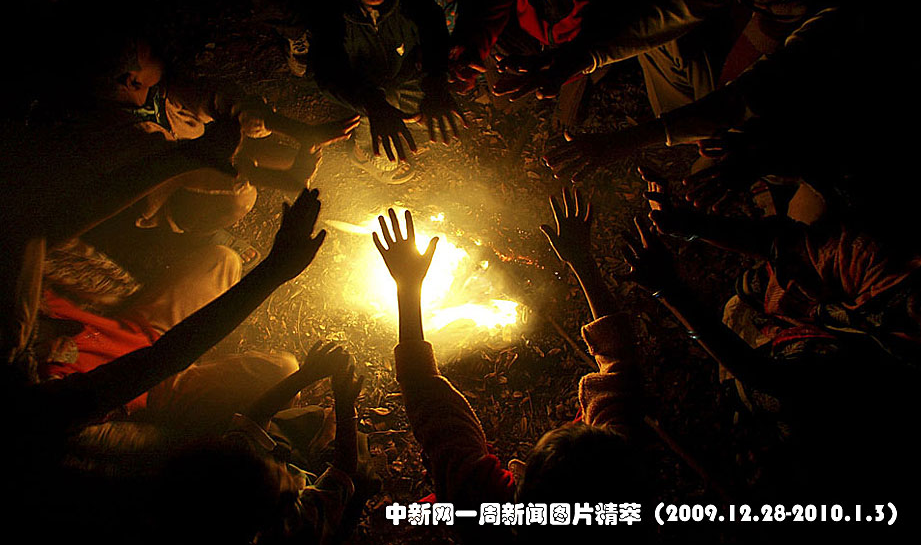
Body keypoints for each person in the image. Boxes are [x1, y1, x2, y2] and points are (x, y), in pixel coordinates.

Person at [1, 188, 329, 540]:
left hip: (138, 327)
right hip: (155, 388)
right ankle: (201, 384)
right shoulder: (45, 410)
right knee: (283, 371)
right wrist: (272, 272)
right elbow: (164, 360)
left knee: (224, 260)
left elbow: (38, 233)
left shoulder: (19, 328)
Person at [622, 167, 921, 506]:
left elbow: (767, 377)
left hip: (856, 402)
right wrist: (690, 227)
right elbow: (780, 244)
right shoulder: (871, 271)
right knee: (752, 291)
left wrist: (670, 290)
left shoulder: (887, 292)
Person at [372, 203, 646, 542]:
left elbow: (434, 409)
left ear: (523, 486)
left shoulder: (483, 510)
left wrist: (407, 286)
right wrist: (583, 263)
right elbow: (620, 365)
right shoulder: (616, 468)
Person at [541, 0, 847, 187]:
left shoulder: (832, 18)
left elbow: (749, 96)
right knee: (670, 39)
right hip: (728, 93)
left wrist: (620, 143)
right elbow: (664, 17)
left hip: (797, 130)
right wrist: (576, 59)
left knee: (771, 138)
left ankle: (753, 169)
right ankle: (698, 131)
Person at [156, 342, 368, 545]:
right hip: (320, 509)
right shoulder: (295, 529)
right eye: (284, 483)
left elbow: (252, 418)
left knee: (291, 420)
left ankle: (317, 443)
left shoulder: (231, 474)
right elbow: (343, 471)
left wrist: (307, 374)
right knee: (360, 469)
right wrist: (345, 406)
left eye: (270, 467)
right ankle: (322, 454)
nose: (280, 468)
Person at [312, 0, 466, 183]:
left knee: (433, 114)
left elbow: (433, 28)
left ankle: (401, 114)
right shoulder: (329, 9)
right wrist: (373, 104)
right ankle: (362, 151)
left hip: (400, 73)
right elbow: (327, 72)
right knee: (382, 110)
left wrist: (436, 81)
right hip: (360, 85)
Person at [449, 0, 598, 127]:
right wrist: (472, 51)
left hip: (571, 53)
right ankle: (517, 106)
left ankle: (570, 110)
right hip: (532, 40)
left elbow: (591, 41)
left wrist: (556, 65)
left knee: (566, 124)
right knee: (503, 100)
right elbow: (492, 8)